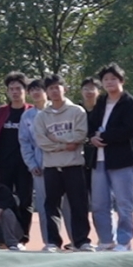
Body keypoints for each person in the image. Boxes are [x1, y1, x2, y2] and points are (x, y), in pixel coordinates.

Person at [86, 63, 133, 252]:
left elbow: (130, 130)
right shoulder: (101, 102)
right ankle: (105, 240)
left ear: (121, 81)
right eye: (106, 79)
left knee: (124, 203)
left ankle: (124, 241)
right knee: (99, 204)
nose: (109, 82)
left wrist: (104, 136)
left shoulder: (130, 103)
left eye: (113, 79)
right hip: (99, 160)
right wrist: (92, 137)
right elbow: (91, 124)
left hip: (122, 160)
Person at [33, 74, 91, 251]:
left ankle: (81, 241)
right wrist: (66, 144)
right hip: (51, 166)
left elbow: (80, 136)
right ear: (47, 92)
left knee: (79, 205)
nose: (54, 91)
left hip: (74, 165)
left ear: (64, 89)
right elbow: (42, 142)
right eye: (51, 88)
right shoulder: (42, 116)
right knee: (51, 206)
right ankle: (52, 242)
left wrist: (56, 141)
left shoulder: (77, 111)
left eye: (57, 87)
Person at [0, 73, 32, 244]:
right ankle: (4, 236)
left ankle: (23, 237)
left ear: (25, 90)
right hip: (3, 165)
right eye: (11, 89)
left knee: (25, 201)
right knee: (4, 200)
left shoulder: (32, 112)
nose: (15, 92)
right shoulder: (0, 113)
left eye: (18, 88)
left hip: (26, 166)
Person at [18, 79, 52, 251]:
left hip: (62, 163)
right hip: (39, 166)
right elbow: (24, 142)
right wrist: (31, 164)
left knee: (67, 205)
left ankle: (76, 240)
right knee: (44, 204)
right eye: (32, 90)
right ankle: (50, 241)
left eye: (39, 89)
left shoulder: (57, 110)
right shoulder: (27, 116)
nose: (36, 93)